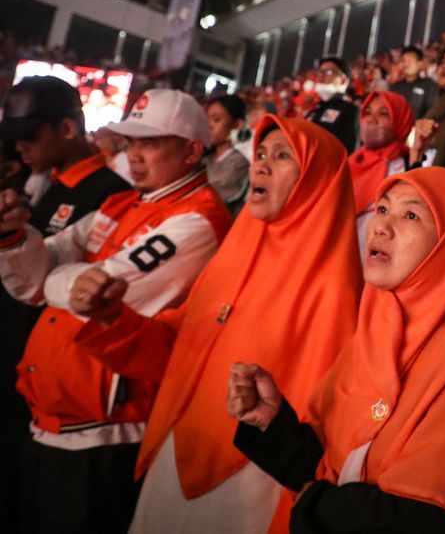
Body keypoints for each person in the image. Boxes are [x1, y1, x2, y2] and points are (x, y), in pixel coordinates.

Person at [71, 115, 363, 533]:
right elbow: (178, 348)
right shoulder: (232, 255)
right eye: (260, 154)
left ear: (319, 179)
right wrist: (113, 318)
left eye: (282, 157)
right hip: (177, 455)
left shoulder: (337, 289)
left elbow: (323, 421)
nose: (259, 165)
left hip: (253, 479)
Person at [0, 88, 232, 532]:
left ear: (191, 151)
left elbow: (96, 296)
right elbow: (35, 277)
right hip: (49, 420)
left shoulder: (199, 219)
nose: (135, 155)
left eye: (150, 142)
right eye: (131, 142)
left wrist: (64, 274)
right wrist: (12, 238)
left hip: (105, 437)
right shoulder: (122, 202)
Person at [230, 167, 445, 533]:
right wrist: (271, 421)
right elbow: (332, 463)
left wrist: (316, 505)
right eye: (381, 209)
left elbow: (428, 515)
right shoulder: (378, 322)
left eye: (410, 215)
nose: (380, 227)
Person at [0, 77, 133, 530]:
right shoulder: (46, 183)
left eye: (29, 135)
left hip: (60, 389)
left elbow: (64, 285)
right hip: (25, 373)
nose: (19, 146)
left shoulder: (111, 193)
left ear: (67, 130)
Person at [350, 91, 415, 256]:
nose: (371, 119)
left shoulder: (409, 167)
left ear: (400, 121)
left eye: (383, 114)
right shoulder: (351, 162)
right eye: (367, 112)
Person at [205, 95, 250, 216]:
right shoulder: (205, 159)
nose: (209, 126)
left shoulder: (239, 164)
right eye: (207, 119)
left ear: (237, 124)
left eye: (216, 120)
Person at [306, 56, 360, 152]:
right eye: (321, 72)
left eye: (329, 72)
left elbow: (351, 149)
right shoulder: (314, 110)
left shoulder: (350, 110)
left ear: (343, 80)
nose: (322, 77)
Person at [390, 46, 438, 119]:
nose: (406, 64)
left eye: (410, 60)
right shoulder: (396, 86)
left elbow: (432, 109)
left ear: (420, 64)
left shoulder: (429, 85)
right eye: (404, 60)